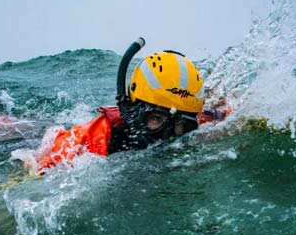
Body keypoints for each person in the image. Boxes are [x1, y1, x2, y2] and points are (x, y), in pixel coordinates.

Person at [33, 38, 212, 174]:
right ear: (133, 109)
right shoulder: (94, 138)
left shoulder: (190, 120)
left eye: (180, 125)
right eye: (156, 118)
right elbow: (39, 172)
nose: (168, 135)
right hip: (42, 137)